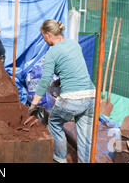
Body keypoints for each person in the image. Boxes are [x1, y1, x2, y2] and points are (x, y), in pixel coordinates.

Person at [28, 19, 95, 163]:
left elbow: (45, 81)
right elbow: (72, 69)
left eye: (43, 36)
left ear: (48, 35)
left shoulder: (52, 52)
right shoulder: (74, 44)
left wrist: (33, 105)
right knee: (84, 136)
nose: (44, 39)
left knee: (54, 123)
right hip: (90, 96)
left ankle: (59, 159)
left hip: (72, 99)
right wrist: (58, 83)